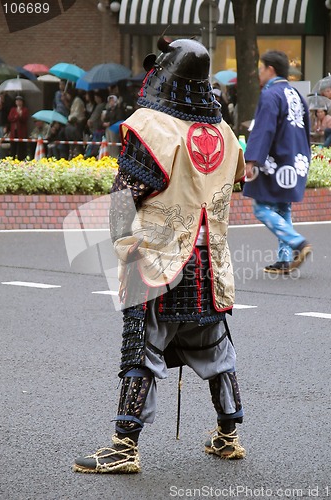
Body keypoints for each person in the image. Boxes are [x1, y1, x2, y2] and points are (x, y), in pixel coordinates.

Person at [73, 37, 246, 474]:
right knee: (215, 346)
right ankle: (228, 436)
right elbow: (233, 186)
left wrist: (123, 248)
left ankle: (123, 447)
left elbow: (125, 196)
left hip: (158, 259)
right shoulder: (224, 132)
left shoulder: (151, 125)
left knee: (141, 349)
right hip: (209, 263)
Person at [243, 50, 312, 275]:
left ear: (270, 69)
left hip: (275, 159)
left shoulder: (270, 94)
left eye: (261, 68)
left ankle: (297, 243)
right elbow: (306, 129)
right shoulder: (295, 94)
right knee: (283, 206)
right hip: (294, 158)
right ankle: (284, 259)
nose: (259, 73)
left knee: (261, 207)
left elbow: (264, 129)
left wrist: (251, 159)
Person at [7, 95, 29, 160]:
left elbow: (24, 119)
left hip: (21, 131)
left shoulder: (25, 110)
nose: (18, 102)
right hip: (14, 131)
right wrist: (17, 115)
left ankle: (21, 159)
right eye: (17, 101)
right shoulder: (13, 109)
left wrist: (19, 116)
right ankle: (12, 159)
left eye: (20, 101)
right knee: (13, 147)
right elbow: (10, 118)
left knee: (21, 147)